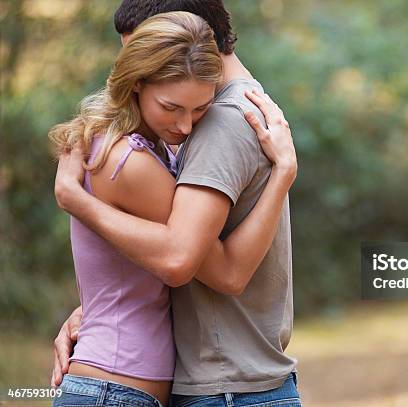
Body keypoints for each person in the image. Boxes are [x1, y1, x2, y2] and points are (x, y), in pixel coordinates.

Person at [52, 1, 301, 406]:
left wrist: (77, 201)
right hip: (196, 383)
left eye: (144, 47)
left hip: (228, 389)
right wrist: (95, 311)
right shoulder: (151, 145)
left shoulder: (222, 122)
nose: (130, 64)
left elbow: (187, 259)